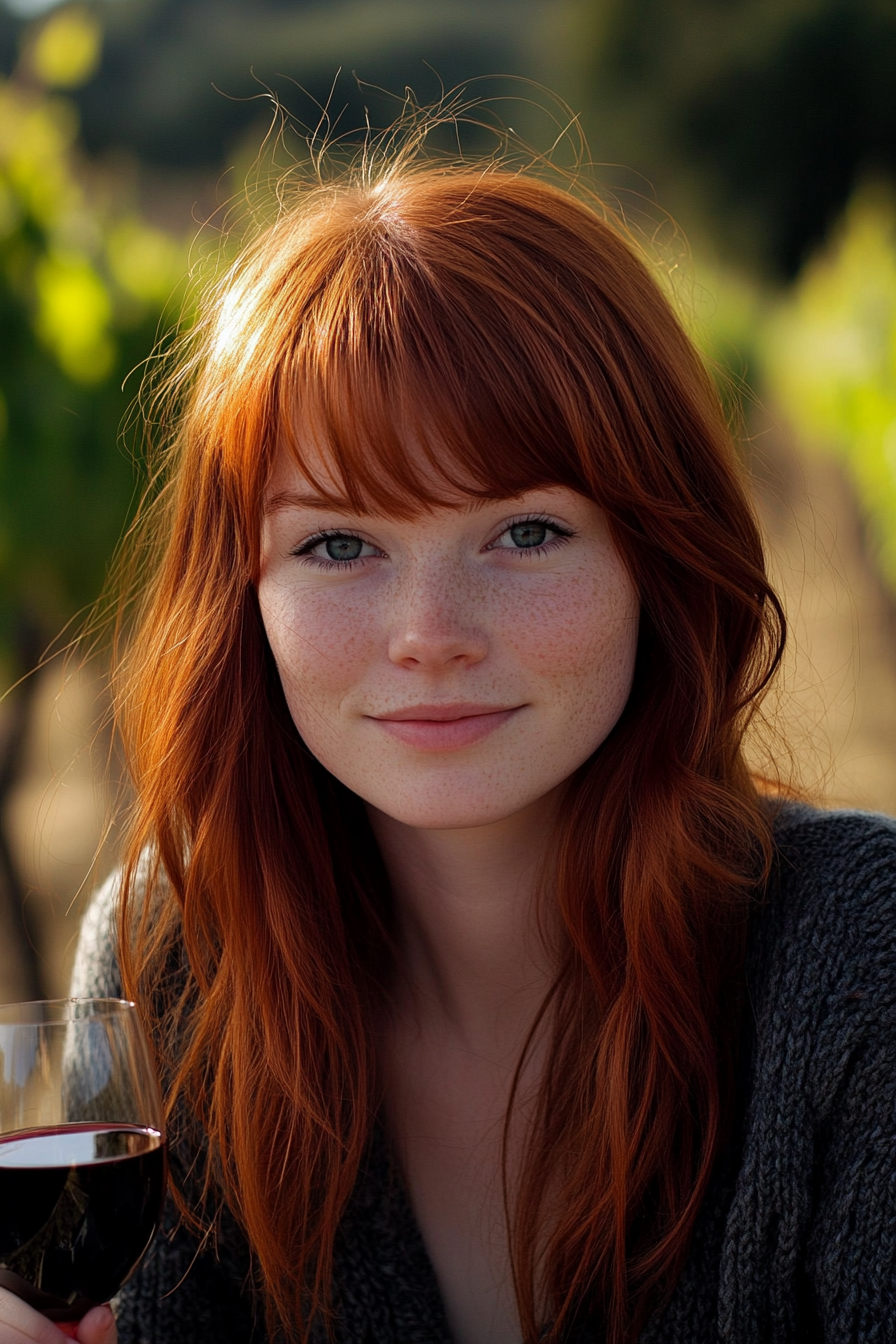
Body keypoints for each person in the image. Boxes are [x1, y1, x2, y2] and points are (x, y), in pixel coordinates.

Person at [2, 151, 895, 1344]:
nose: (429, 637)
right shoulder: (176, 958)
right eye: (336, 546)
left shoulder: (856, 967)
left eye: (524, 531)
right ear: (242, 594)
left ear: (658, 561)